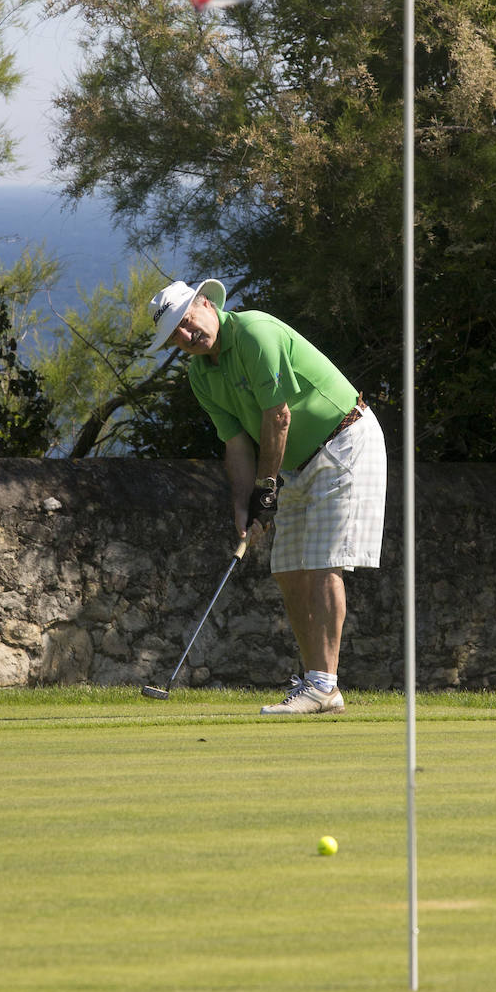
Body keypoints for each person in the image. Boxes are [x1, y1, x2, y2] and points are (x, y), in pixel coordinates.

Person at [150, 277, 387, 714]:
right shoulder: (201, 376)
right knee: (287, 569)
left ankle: (322, 683)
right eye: (176, 336)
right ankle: (321, 685)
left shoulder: (255, 331)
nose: (187, 336)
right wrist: (244, 505)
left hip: (346, 440)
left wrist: (267, 488)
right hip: (299, 464)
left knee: (322, 564)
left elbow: (278, 417)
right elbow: (237, 442)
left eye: (187, 322)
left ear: (206, 303)